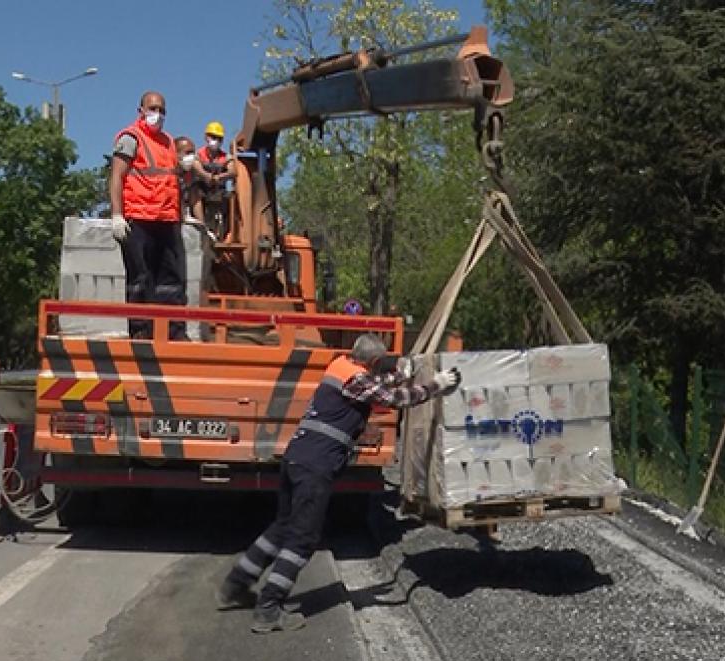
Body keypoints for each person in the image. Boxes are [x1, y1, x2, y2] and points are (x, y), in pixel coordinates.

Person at [216, 334, 461, 633]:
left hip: (296, 458)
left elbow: (376, 386)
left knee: (282, 527)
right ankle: (269, 607)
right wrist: (437, 384)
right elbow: (394, 400)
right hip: (315, 466)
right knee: (302, 539)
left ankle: (236, 584)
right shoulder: (357, 380)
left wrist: (400, 374)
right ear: (371, 362)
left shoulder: (340, 366)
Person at [109, 91, 186, 340]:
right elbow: (117, 176)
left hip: (166, 220)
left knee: (171, 281)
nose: (158, 115)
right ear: (140, 110)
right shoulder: (131, 138)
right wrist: (117, 215)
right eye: (153, 109)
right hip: (139, 220)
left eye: (162, 110)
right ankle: (141, 332)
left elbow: (173, 182)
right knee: (141, 280)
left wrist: (181, 216)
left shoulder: (169, 142)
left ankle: (174, 333)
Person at [195, 121, 236, 238]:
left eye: (219, 138)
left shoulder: (225, 156)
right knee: (195, 193)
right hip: (203, 190)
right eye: (213, 137)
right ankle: (201, 227)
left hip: (219, 191)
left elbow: (233, 171)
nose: (216, 140)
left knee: (232, 199)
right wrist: (206, 176)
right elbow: (196, 166)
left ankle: (228, 232)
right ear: (206, 137)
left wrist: (219, 177)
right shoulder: (199, 154)